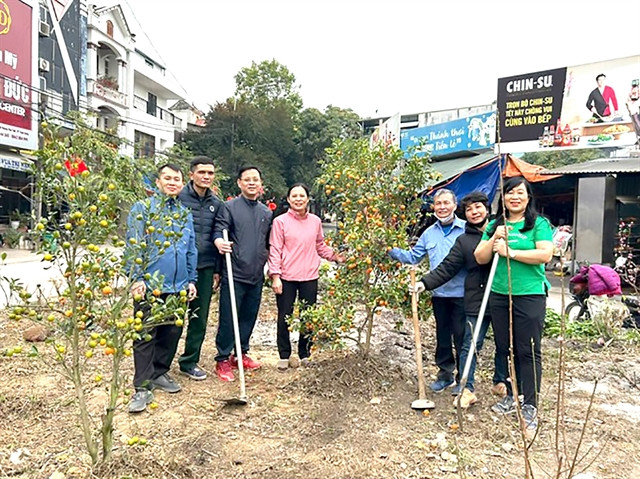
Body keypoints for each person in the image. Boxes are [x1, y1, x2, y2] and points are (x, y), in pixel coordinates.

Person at [409, 191, 508, 409]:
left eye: (478, 207)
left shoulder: (505, 230)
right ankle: (466, 387)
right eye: (470, 209)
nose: (474, 212)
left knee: (504, 341)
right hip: (474, 297)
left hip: (502, 294)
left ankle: (501, 380)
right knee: (470, 343)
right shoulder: (464, 240)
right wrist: (424, 283)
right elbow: (447, 267)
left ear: (486, 208)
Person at [474, 176, 553, 437]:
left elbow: (545, 254)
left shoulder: (538, 224)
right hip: (499, 295)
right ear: (503, 198)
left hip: (529, 295)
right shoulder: (496, 225)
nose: (514, 197)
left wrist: (512, 252)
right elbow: (480, 257)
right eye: (509, 193)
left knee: (528, 350)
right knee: (504, 347)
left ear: (528, 197)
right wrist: (494, 237)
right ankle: (511, 395)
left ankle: (530, 404)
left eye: (520, 193)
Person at [126, 163, 198, 413]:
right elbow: (134, 246)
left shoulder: (184, 213)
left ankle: (160, 372)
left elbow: (190, 249)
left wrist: (191, 279)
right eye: (167, 178)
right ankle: (142, 387)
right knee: (145, 335)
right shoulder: (143, 209)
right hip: (150, 286)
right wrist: (136, 279)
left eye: (176, 179)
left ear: (181, 184)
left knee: (171, 333)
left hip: (178, 286)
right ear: (157, 182)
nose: (172, 182)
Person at [388, 189, 466, 393]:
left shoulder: (467, 230)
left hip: (463, 294)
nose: (442, 207)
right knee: (442, 337)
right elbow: (414, 257)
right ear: (433, 207)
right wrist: (389, 249)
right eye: (438, 203)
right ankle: (445, 375)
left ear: (455, 205)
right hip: (439, 294)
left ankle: (464, 378)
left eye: (446, 203)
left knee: (462, 337)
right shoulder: (429, 233)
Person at [268, 183, 344, 370]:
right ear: (288, 200)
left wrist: (335, 256)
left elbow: (320, 245)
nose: (298, 199)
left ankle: (305, 353)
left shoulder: (315, 221)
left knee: (308, 317)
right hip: (286, 276)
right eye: (294, 196)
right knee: (284, 316)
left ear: (307, 199)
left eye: (302, 196)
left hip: (309, 275)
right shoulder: (280, 222)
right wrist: (275, 276)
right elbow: (275, 249)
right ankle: (284, 355)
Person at [213, 166, 273, 381]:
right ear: (239, 183)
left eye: (255, 179)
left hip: (256, 274)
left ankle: (240, 353)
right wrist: (219, 241)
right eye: (247, 179)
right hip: (235, 272)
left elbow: (268, 242)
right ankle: (222, 358)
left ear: (260, 183)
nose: (251, 183)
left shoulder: (266, 212)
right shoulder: (228, 207)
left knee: (249, 315)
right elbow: (219, 229)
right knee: (229, 317)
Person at [176, 157, 224, 380]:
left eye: (210, 173)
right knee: (172, 315)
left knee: (199, 317)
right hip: (177, 266)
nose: (206, 176)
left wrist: (217, 269)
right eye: (202, 172)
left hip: (204, 266)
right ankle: (161, 362)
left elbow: (218, 233)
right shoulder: (178, 198)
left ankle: (189, 361)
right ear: (191, 174)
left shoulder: (216, 203)